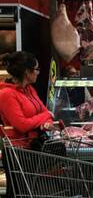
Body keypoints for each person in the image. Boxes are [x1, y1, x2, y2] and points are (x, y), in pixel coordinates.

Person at [0, 51, 57, 197]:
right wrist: (45, 116)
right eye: (36, 69)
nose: (38, 73)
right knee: (18, 192)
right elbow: (21, 125)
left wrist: (47, 122)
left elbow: (46, 114)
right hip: (17, 151)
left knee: (28, 191)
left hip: (32, 147)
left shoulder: (30, 90)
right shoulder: (7, 94)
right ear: (27, 71)